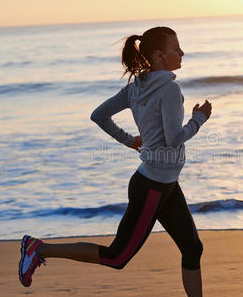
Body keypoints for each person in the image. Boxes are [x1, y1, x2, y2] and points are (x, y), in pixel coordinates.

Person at [18, 26, 212, 297]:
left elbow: (98, 115)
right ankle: (39, 249)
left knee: (192, 248)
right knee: (116, 257)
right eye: (176, 48)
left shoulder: (136, 88)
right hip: (153, 188)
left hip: (162, 183)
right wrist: (199, 119)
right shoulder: (169, 89)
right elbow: (173, 139)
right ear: (159, 55)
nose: (182, 53)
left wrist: (128, 140)